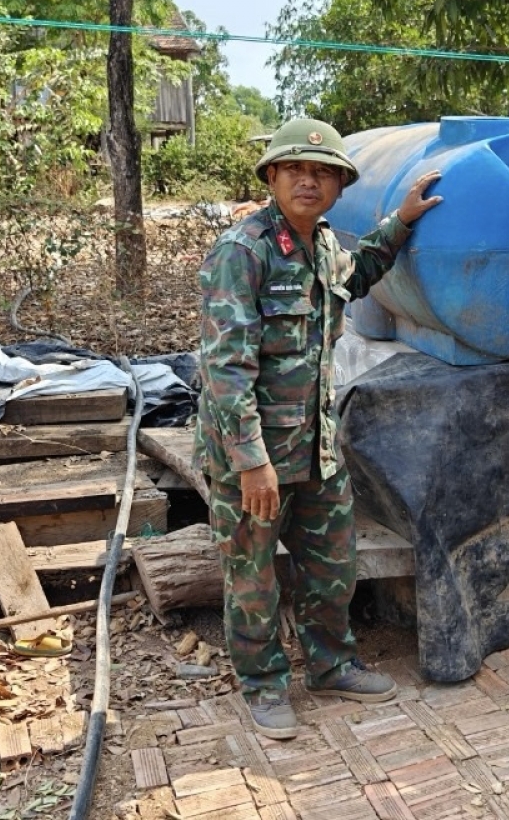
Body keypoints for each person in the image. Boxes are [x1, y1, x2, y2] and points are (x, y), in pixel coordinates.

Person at [195, 117, 442, 740]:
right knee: (252, 577)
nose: (309, 181)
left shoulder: (324, 244)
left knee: (333, 564)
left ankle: (330, 665)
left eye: (323, 173)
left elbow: (356, 277)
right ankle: (263, 683)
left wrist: (402, 222)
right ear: (272, 177)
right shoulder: (242, 252)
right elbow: (225, 369)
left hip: (315, 448)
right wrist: (252, 461)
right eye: (296, 170)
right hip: (252, 456)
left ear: (337, 185)